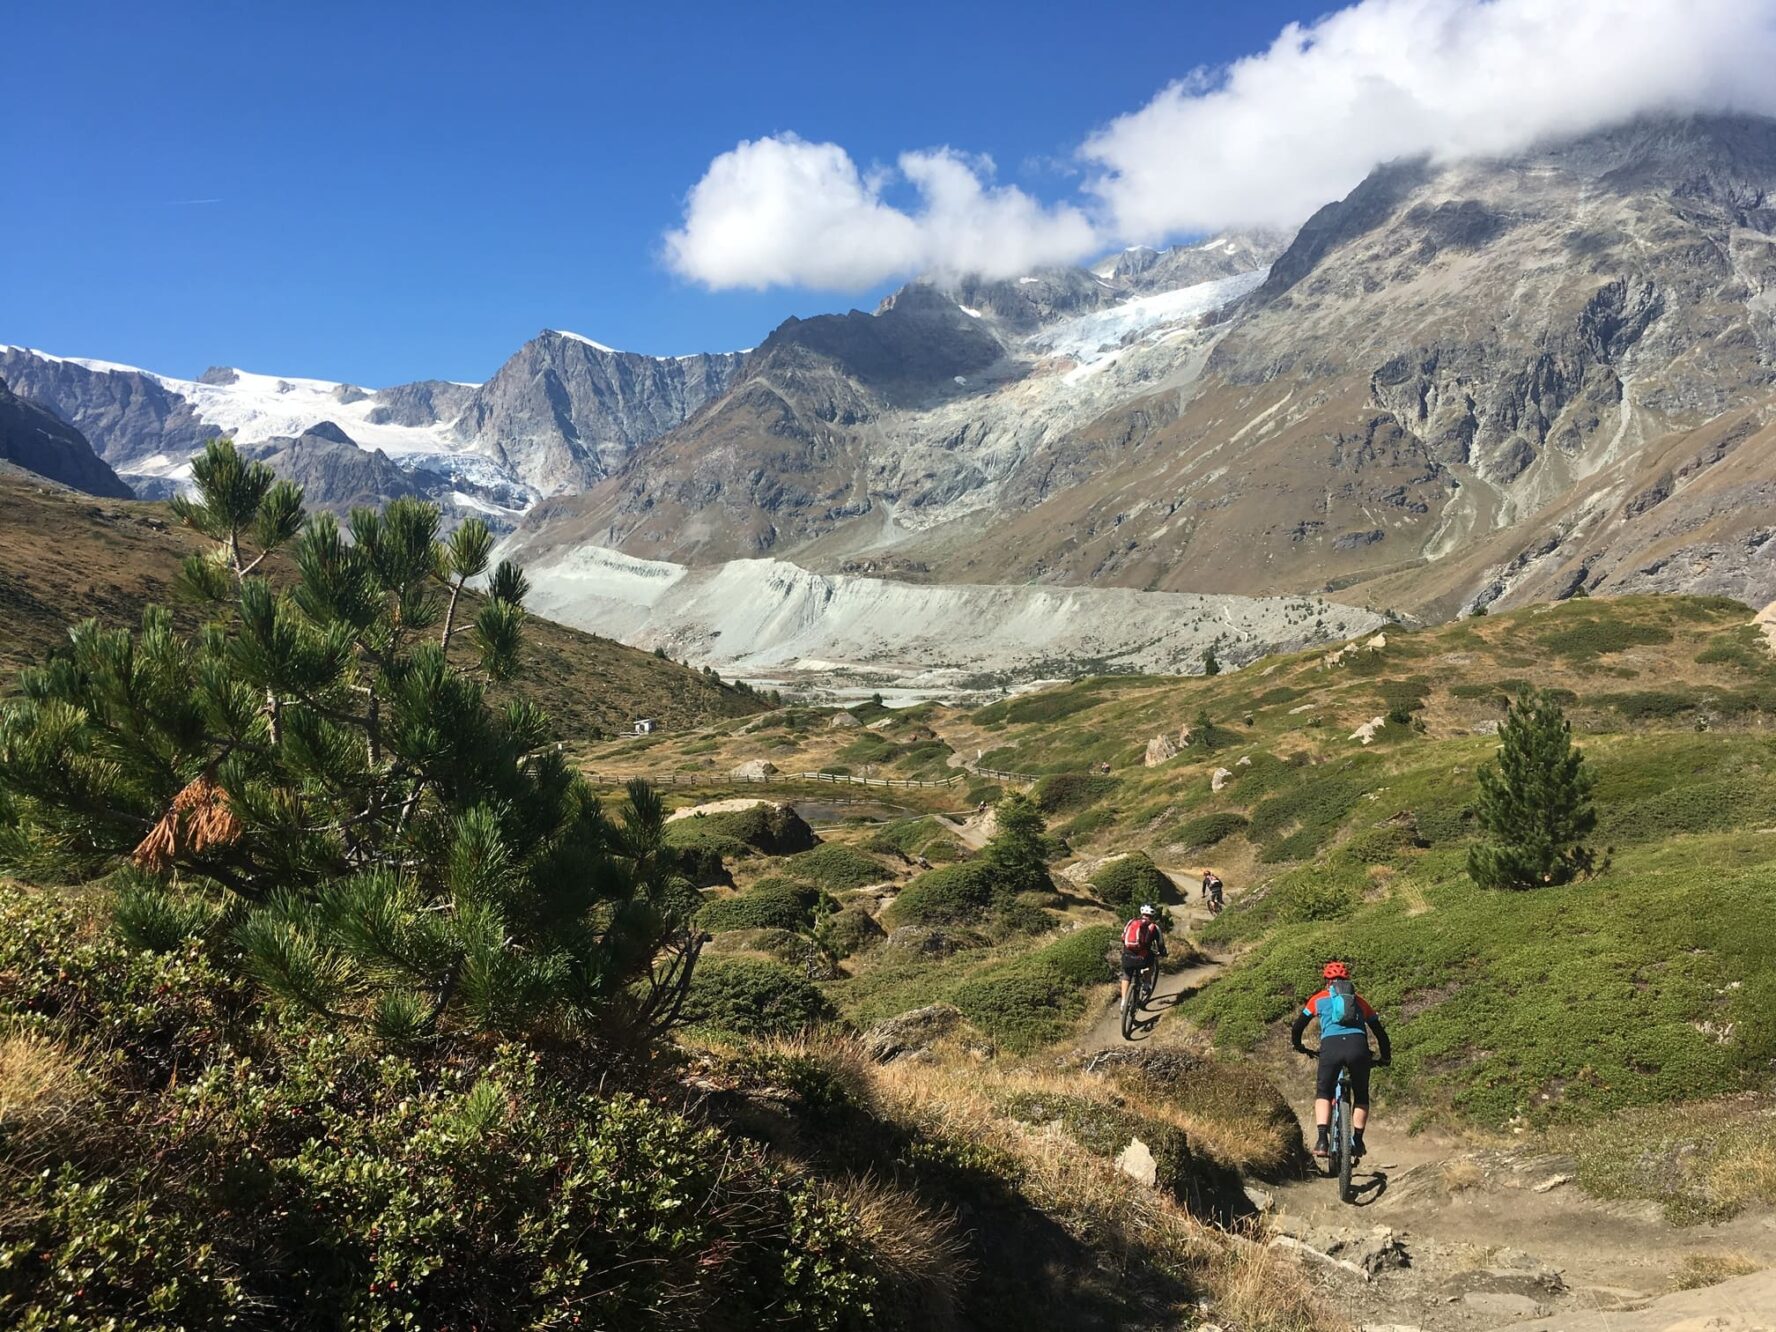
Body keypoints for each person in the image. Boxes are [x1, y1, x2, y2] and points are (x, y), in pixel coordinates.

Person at [1290, 961, 1391, 1161]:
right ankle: (1358, 1140)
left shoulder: (1318, 999)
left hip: (1331, 1048)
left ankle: (1321, 1141)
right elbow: (1380, 1033)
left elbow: (1298, 1027)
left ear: (1326, 981)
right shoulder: (1359, 1001)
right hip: (1358, 1048)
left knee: (1324, 1092)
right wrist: (1385, 1057)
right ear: (1347, 981)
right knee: (1361, 1094)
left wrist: (1299, 1046)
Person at [1119, 904, 1165, 1010]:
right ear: (1153, 915)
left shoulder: (1131, 922)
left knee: (1126, 975)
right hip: (1142, 959)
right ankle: (1146, 984)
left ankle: (1123, 1002)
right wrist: (1162, 953)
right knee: (1151, 963)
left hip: (1127, 956)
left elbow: (1123, 938)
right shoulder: (1154, 927)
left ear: (1142, 913)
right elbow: (1161, 944)